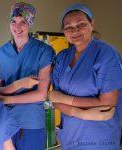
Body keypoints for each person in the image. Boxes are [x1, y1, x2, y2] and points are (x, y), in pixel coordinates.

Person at [50, 3, 122, 149]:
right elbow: (54, 100)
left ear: (92, 23)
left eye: (81, 24)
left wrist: (66, 99)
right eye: (68, 27)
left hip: (99, 136)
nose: (74, 30)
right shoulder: (62, 57)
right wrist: (80, 113)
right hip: (70, 134)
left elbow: (108, 103)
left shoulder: (107, 54)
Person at [0, 2, 55, 150]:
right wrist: (19, 84)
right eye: (13, 22)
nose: (18, 27)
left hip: (31, 123)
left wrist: (7, 99)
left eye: (23, 22)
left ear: (30, 23)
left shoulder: (43, 51)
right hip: (4, 122)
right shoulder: (1, 54)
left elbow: (41, 94)